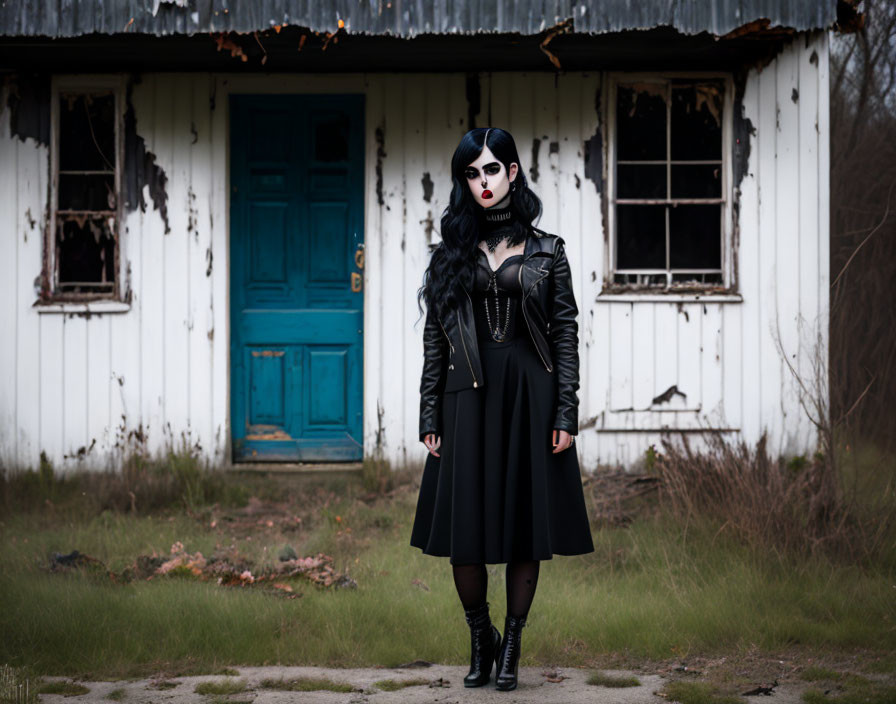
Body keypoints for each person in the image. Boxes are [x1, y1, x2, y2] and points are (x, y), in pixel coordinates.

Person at [410, 127, 595, 691]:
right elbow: (435, 340)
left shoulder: (548, 250)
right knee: (463, 534)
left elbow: (565, 333)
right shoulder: (450, 254)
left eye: (492, 170)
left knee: (521, 527)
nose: (483, 182)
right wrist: (428, 414)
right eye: (472, 173)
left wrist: (566, 411)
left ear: (512, 173)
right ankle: (480, 635)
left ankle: (513, 643)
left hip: (528, 398)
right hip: (466, 397)